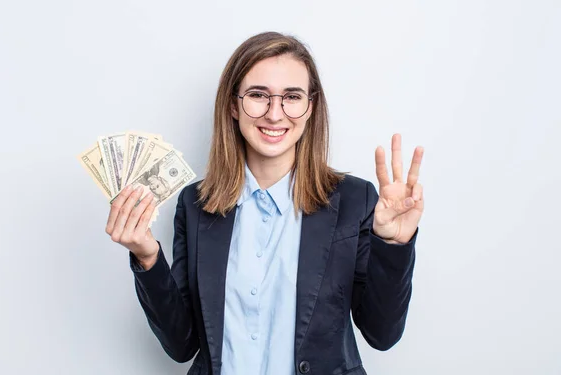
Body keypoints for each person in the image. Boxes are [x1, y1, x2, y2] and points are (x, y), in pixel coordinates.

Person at [105, 31, 424, 375]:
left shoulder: (354, 202)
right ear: (232, 104)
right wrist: (147, 257)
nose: (275, 114)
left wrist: (394, 244)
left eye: (292, 96)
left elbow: (382, 334)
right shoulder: (195, 205)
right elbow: (182, 344)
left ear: (311, 107)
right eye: (258, 95)